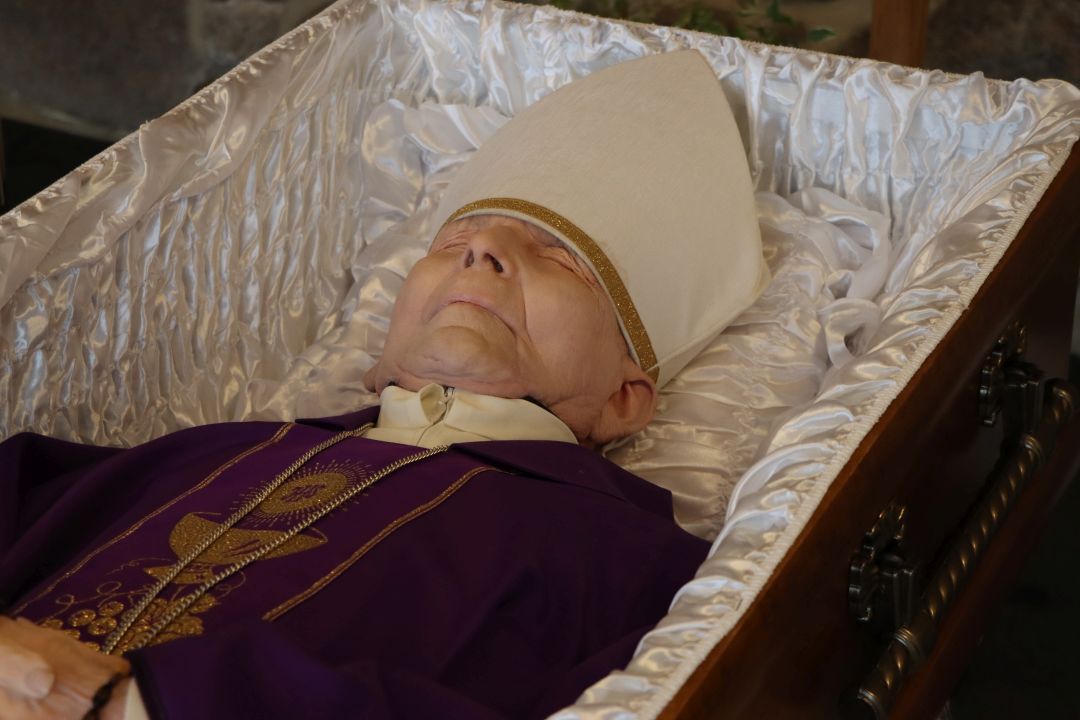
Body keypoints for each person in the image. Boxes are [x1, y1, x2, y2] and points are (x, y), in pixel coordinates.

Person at [0, 50, 767, 719]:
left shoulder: (647, 570)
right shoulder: (212, 452)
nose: (482, 250)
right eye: (453, 241)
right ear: (384, 359)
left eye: (560, 258)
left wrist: (122, 703)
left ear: (625, 398)